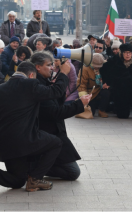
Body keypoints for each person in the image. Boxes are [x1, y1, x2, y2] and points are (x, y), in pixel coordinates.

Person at [0, 61, 74, 194]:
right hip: (25, 139)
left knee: (17, 180)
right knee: (56, 143)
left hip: (5, 142)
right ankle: (35, 179)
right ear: (32, 75)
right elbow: (56, 91)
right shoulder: (30, 84)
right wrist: (63, 74)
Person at [32, 52, 91, 180]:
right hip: (48, 134)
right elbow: (55, 113)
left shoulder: (43, 82)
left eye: (52, 64)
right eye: (48, 65)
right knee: (73, 172)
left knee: (73, 172)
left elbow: (55, 103)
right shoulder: (37, 84)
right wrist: (79, 104)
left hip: (53, 133)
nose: (52, 67)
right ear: (38, 67)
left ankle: (36, 167)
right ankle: (32, 169)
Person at [101, 43, 132, 119]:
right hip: (120, 89)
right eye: (125, 52)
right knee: (123, 116)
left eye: (129, 52)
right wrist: (107, 83)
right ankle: (117, 108)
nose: (127, 55)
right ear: (121, 53)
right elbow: (104, 71)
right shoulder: (114, 60)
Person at [77, 53, 110, 117]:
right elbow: (81, 84)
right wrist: (84, 97)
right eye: (95, 66)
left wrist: (106, 85)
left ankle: (101, 110)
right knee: (91, 112)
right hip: (89, 92)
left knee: (106, 92)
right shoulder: (85, 68)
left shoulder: (105, 66)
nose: (97, 68)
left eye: (99, 66)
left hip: (100, 89)